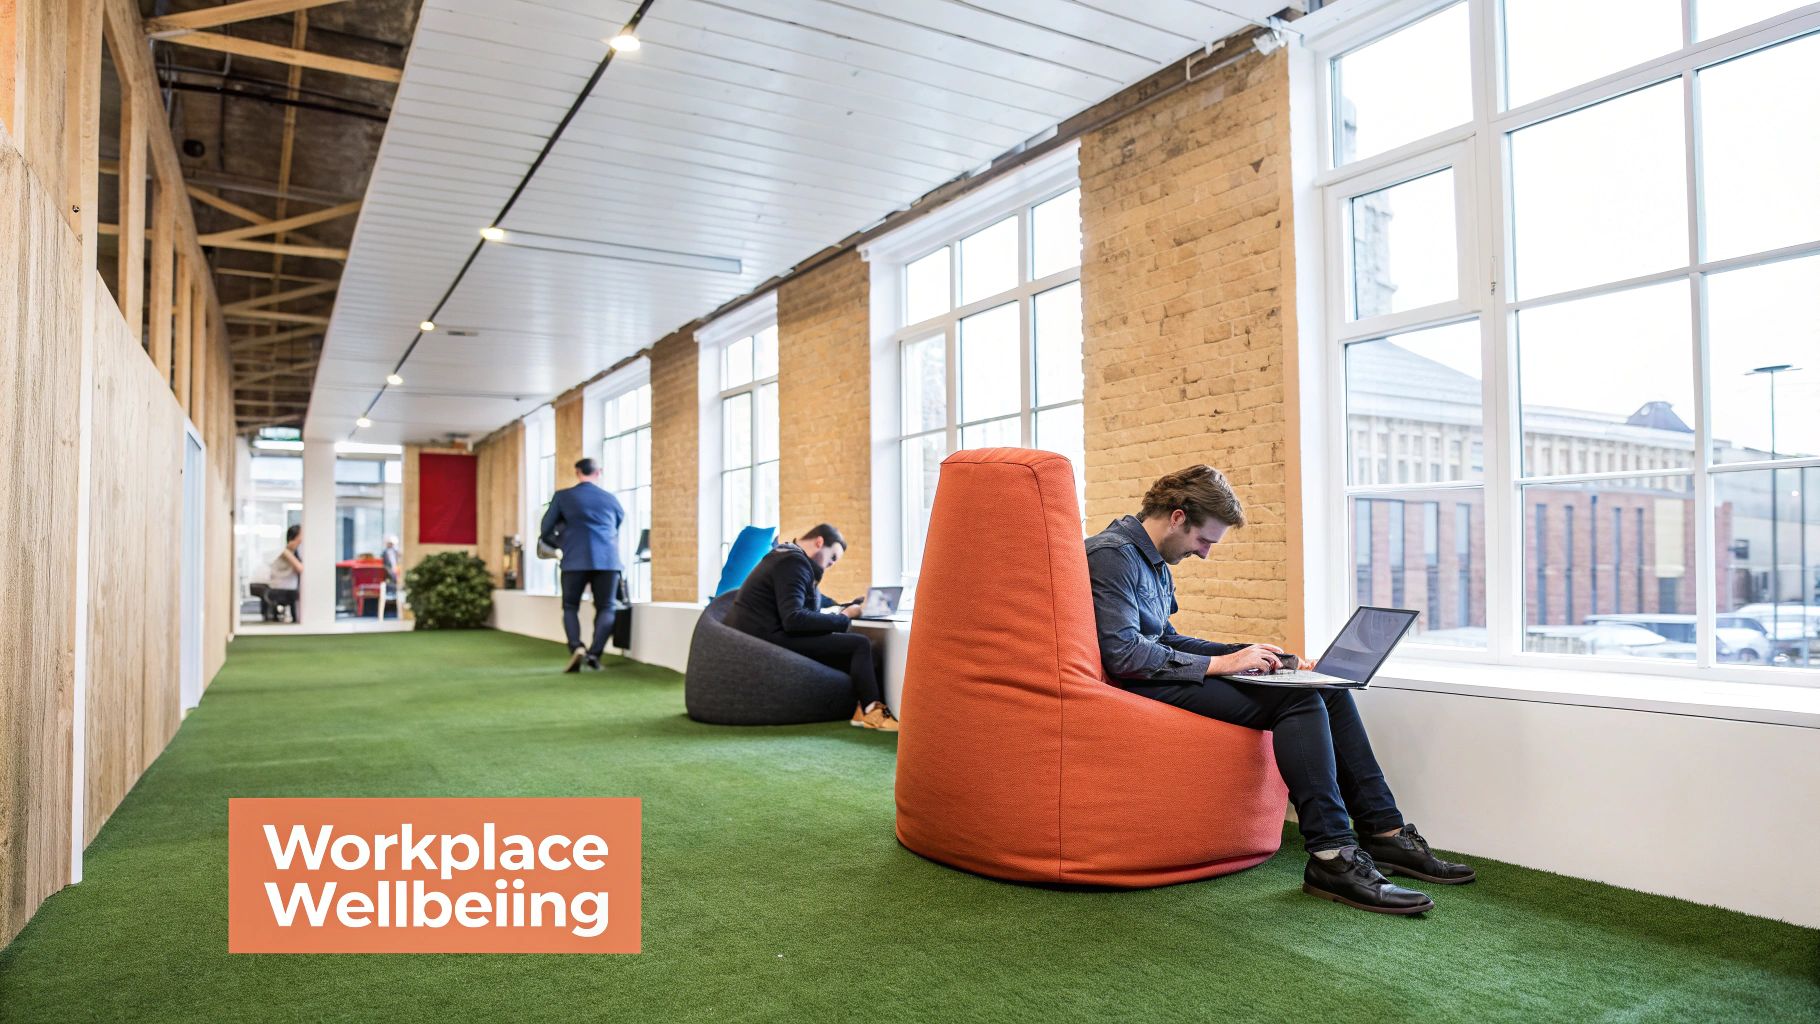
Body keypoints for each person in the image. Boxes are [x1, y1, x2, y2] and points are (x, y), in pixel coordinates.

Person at [1085, 465, 1474, 915]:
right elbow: (1126, 656)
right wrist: (1226, 664)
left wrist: (1253, 654)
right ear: (1177, 517)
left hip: (1161, 674)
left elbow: (1166, 639)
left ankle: (1385, 835)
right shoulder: (1112, 555)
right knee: (1298, 700)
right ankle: (1333, 855)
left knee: (1325, 688)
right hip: (1136, 688)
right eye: (1204, 540)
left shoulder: (1150, 560)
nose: (1205, 554)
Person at [724, 524, 898, 732]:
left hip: (762, 632)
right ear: (819, 542)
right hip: (765, 638)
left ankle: (864, 707)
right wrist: (844, 617)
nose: (831, 564)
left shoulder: (787, 555)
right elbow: (794, 619)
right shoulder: (793, 563)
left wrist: (848, 605)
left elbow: (814, 600)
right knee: (859, 644)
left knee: (860, 646)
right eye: (832, 557)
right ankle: (872, 713)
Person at [539, 458, 625, 673]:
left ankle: (576, 647)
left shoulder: (564, 497)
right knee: (606, 606)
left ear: (577, 472)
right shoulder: (610, 499)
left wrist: (562, 542)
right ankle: (595, 654)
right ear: (599, 472)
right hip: (608, 560)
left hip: (574, 559)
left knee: (570, 606)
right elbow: (616, 524)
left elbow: (545, 529)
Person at [265, 524, 303, 623]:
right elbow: (300, 568)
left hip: (289, 585)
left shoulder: (295, 552)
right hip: (280, 587)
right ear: (296, 536)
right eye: (301, 535)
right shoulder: (285, 552)